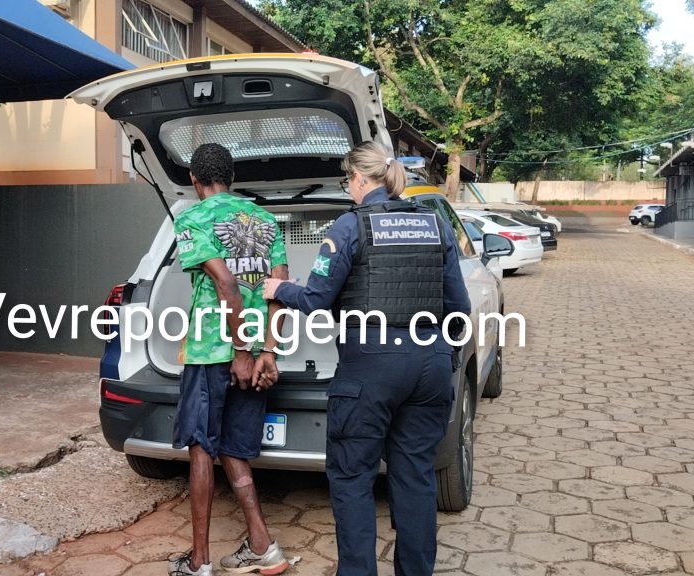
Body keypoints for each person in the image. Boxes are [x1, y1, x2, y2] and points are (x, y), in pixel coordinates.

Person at [262, 141, 471, 576]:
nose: (348, 188)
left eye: (347, 181)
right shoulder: (434, 223)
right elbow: (459, 307)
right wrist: (442, 355)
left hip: (371, 369)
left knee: (353, 479)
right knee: (415, 479)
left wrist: (278, 290)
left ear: (359, 179)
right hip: (429, 364)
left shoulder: (349, 226)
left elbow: (318, 300)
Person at [168, 143, 292, 576]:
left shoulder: (194, 217)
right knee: (235, 448)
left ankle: (199, 562)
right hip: (257, 350)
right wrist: (267, 352)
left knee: (202, 447)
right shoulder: (265, 218)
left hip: (213, 350)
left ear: (193, 179)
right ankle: (263, 545)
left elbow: (226, 285)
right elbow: (279, 289)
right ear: (233, 177)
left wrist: (240, 351)